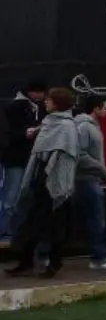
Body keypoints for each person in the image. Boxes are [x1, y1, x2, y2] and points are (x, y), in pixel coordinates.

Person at [5, 87, 77, 279]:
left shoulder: (66, 126)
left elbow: (66, 155)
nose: (46, 102)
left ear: (58, 103)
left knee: (53, 225)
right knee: (32, 223)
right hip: (40, 179)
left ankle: (53, 262)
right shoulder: (48, 123)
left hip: (54, 181)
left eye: (50, 100)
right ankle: (26, 262)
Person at [73, 96, 106, 270]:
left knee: (91, 218)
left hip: (91, 177)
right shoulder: (85, 127)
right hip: (86, 178)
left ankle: (98, 256)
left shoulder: (92, 126)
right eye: (105, 108)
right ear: (96, 109)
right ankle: (100, 257)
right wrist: (102, 170)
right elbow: (81, 154)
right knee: (96, 218)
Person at [1, 80, 46, 242]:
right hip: (18, 159)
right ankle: (6, 233)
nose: (41, 96)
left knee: (17, 198)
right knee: (12, 199)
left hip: (27, 158)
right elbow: (7, 134)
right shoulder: (16, 107)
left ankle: (11, 233)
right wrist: (25, 133)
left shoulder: (37, 108)